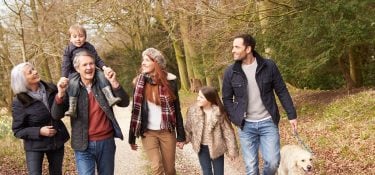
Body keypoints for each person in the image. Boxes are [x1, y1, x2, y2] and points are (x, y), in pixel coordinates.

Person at [222, 34, 298, 175]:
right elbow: (226, 98)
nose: (233, 50)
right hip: (246, 125)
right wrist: (235, 117)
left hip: (268, 122)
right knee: (251, 167)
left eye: (237, 47)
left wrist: (291, 115)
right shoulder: (230, 72)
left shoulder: (269, 66)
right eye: (233, 47)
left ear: (248, 48)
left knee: (273, 162)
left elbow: (281, 90)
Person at [52, 50, 130, 175]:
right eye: (85, 65)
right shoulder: (71, 87)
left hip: (106, 142)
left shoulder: (103, 83)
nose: (89, 67)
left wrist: (114, 82)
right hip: (83, 145)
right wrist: (60, 93)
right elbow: (56, 115)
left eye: (91, 64)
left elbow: (124, 103)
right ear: (77, 69)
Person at [128, 48, 186, 175]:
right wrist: (131, 138)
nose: (143, 63)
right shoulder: (139, 83)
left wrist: (181, 136)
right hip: (148, 133)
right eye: (143, 60)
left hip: (167, 132)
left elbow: (176, 110)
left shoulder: (170, 82)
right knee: (156, 168)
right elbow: (135, 112)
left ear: (157, 63)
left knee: (170, 170)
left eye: (147, 60)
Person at [10, 62, 70, 175]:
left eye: (34, 68)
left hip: (56, 140)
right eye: (30, 72)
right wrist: (39, 131)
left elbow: (63, 109)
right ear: (22, 79)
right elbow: (17, 130)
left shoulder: (51, 88)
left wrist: (62, 94)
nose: (35, 72)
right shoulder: (19, 101)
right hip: (34, 146)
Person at [62, 24, 121, 117]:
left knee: (101, 76)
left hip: (91, 68)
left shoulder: (89, 46)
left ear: (85, 37)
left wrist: (104, 68)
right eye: (75, 37)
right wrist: (64, 77)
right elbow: (66, 64)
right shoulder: (68, 49)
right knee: (73, 83)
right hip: (75, 72)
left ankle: (110, 97)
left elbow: (97, 59)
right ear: (70, 38)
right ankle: (72, 107)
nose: (78, 39)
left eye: (81, 36)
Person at [184, 86, 239, 175]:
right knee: (207, 172)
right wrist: (183, 140)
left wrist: (232, 150)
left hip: (217, 147)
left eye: (201, 97)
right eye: (198, 96)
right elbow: (188, 128)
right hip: (201, 148)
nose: (198, 98)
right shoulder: (193, 111)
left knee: (219, 173)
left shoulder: (219, 112)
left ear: (209, 99)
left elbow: (228, 132)